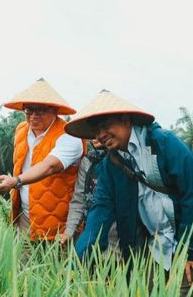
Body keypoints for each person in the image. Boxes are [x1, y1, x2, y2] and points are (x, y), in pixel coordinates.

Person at [65, 90, 193, 294]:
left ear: (126, 120)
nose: (100, 135)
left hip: (184, 240)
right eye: (97, 131)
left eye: (105, 126)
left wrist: (189, 250)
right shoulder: (110, 166)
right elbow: (99, 216)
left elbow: (191, 195)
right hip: (154, 247)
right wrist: (73, 266)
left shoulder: (164, 143)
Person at [0, 78, 85, 242]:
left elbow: (50, 166)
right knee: (22, 266)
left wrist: (15, 181)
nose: (34, 116)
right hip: (25, 217)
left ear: (55, 110)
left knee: (57, 266)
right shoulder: (21, 130)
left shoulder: (69, 136)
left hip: (59, 224)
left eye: (41, 110)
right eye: (29, 110)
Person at [59, 139, 118, 252]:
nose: (95, 136)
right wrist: (69, 231)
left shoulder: (124, 160)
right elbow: (79, 200)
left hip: (117, 237)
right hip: (90, 232)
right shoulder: (88, 161)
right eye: (93, 132)